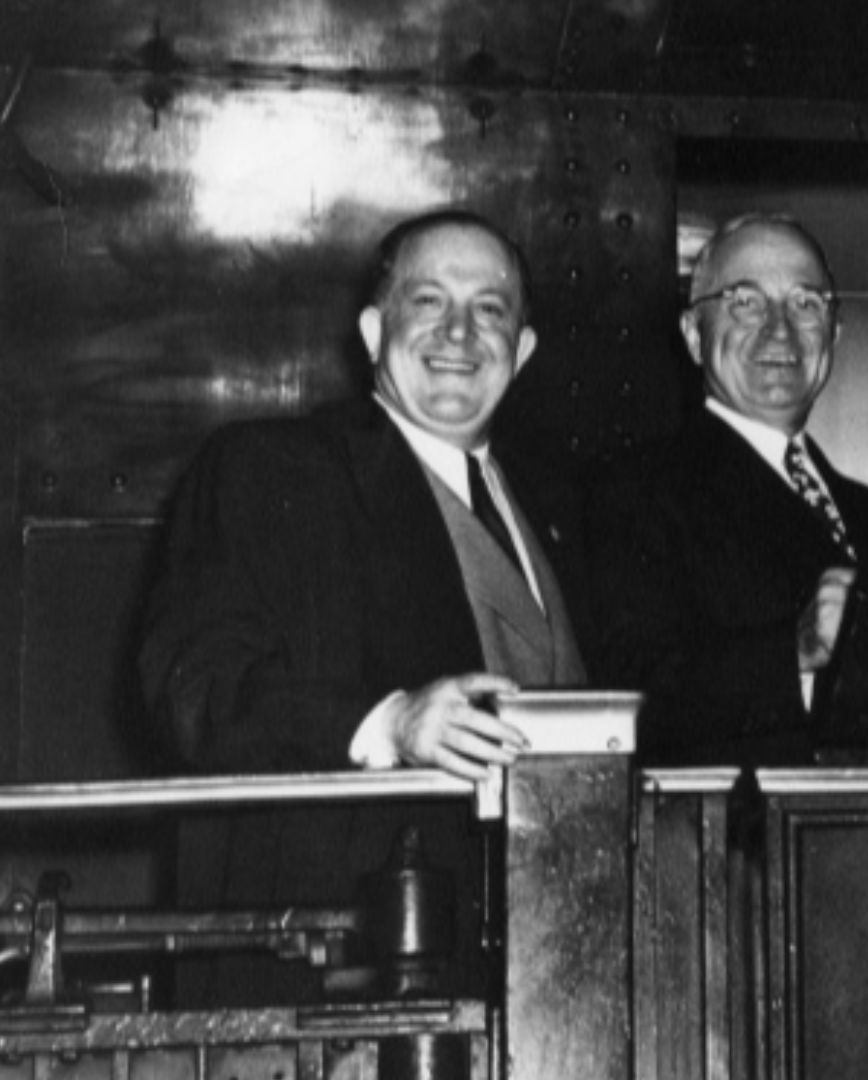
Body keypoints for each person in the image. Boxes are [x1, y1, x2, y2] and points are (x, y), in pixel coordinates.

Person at [139, 209, 588, 1002]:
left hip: (547, 968)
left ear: (521, 352)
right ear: (374, 330)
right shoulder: (269, 469)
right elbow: (195, 689)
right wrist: (388, 723)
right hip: (347, 983)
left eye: (490, 309)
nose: (459, 332)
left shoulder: (568, 507)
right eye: (428, 302)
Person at [592, 213, 868, 763]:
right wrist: (793, 654)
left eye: (806, 303)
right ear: (694, 335)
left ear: (834, 334)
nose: (780, 329)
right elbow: (628, 703)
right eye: (745, 301)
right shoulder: (633, 493)